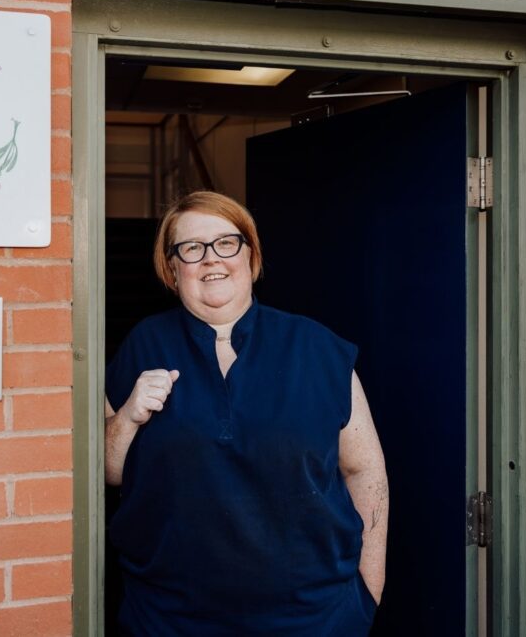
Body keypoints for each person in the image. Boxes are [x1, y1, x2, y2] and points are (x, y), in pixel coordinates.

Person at [104, 191, 389, 636]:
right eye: (191, 248)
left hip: (314, 617)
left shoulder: (317, 349)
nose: (211, 259)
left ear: (250, 254)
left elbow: (364, 469)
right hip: (169, 618)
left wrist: (368, 591)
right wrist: (128, 416)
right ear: (172, 266)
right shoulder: (143, 345)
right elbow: (110, 473)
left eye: (226, 242)